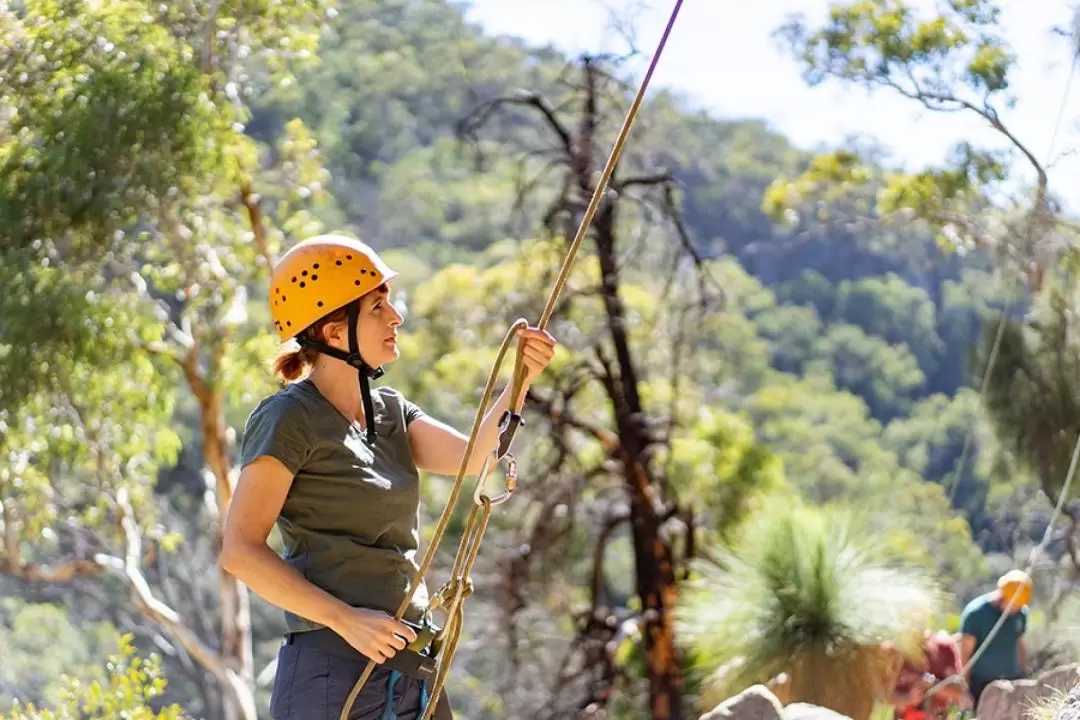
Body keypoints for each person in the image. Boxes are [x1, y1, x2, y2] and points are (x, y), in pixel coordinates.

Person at [221, 234, 558, 720]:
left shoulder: (390, 412)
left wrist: (520, 380)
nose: (396, 316)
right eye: (378, 305)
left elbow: (473, 457)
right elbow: (241, 552)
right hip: (332, 673)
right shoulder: (289, 418)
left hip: (409, 666)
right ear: (335, 333)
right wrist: (346, 620)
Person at [958, 570, 1032, 709]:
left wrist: (1023, 674)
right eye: (1014, 604)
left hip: (1012, 682)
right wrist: (965, 690)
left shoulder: (1021, 614)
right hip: (981, 684)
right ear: (1002, 596)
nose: (1016, 608)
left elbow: (1019, 642)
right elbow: (965, 654)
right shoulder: (976, 614)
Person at [889, 629, 969, 720]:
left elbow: (958, 691)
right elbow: (886, 696)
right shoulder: (894, 650)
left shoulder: (943, 647)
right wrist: (908, 699)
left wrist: (930, 683)